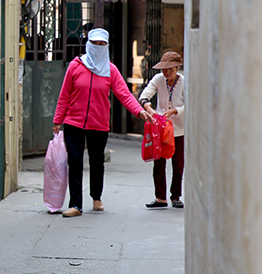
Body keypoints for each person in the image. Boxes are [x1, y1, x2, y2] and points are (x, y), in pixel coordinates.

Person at [53, 28, 152, 217]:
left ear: (106, 46)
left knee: (97, 162)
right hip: (73, 122)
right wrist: (58, 120)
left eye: (102, 44)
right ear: (88, 44)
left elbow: (124, 94)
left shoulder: (110, 70)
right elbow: (64, 95)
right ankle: (75, 204)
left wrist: (139, 111)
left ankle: (96, 198)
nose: (98, 47)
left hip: (98, 124)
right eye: (95, 43)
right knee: (74, 161)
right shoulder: (75, 66)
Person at [139, 51, 185, 208]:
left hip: (179, 129)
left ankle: (175, 196)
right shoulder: (158, 79)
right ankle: (160, 198)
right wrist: (150, 109)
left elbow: (191, 102)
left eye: (170, 69)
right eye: (164, 69)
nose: (166, 73)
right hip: (160, 128)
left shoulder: (185, 81)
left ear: (178, 67)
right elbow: (144, 96)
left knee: (178, 164)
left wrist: (175, 111)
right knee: (158, 163)